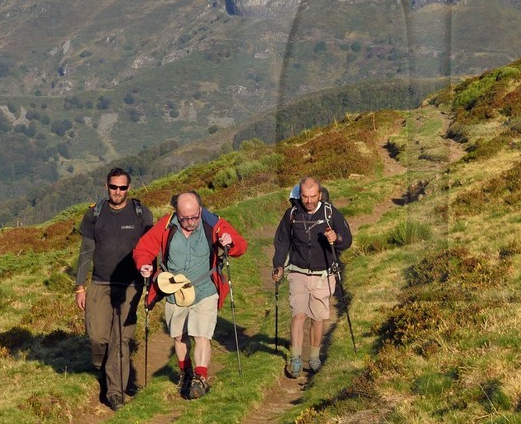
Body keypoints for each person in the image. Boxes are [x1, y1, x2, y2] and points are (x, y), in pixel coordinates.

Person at [133, 191, 247, 399]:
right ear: (177, 213)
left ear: (200, 210)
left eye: (194, 217)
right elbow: (144, 248)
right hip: (174, 289)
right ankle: (185, 373)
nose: (190, 222)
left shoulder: (213, 223)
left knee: (202, 334)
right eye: (185, 218)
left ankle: (200, 378)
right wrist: (144, 265)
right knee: (179, 335)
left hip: (205, 288)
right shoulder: (166, 225)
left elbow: (240, 246)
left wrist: (229, 243)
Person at [73, 168, 154, 410]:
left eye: (122, 187)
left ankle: (115, 394)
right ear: (106, 186)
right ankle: (101, 365)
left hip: (130, 285)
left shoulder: (142, 214)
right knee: (97, 337)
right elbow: (86, 251)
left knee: (121, 340)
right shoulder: (94, 214)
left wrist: (154, 282)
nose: (117, 192)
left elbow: (151, 249)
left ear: (129, 188)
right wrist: (80, 287)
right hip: (99, 283)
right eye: (113, 187)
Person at [271, 176, 352, 379]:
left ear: (320, 194)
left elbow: (347, 239)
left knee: (318, 317)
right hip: (298, 271)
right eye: (305, 197)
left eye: (313, 196)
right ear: (300, 194)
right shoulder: (292, 214)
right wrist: (278, 265)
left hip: (323, 273)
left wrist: (336, 239)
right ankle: (296, 358)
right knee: (298, 314)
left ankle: (314, 357)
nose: (309, 201)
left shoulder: (330, 213)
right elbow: (281, 241)